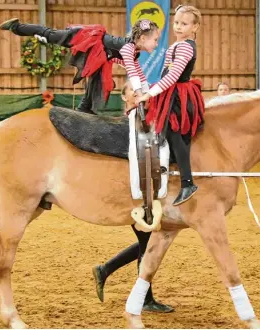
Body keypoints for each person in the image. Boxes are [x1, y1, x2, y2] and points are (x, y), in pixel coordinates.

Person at [91, 81, 174, 313]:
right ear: (125, 98)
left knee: (145, 242)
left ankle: (105, 269)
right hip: (134, 192)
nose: (139, 95)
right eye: (133, 92)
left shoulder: (141, 119)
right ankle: (143, 298)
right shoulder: (130, 122)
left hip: (140, 189)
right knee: (148, 243)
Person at [0, 18, 159, 114]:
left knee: (97, 83)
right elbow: (133, 72)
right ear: (143, 39)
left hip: (99, 56)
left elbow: (139, 73)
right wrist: (140, 93)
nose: (157, 44)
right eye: (156, 40)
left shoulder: (134, 52)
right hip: (87, 39)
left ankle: (84, 111)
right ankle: (17, 27)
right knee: (51, 34)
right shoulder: (128, 48)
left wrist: (148, 93)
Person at [136, 4, 205, 206]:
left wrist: (150, 93)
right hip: (171, 93)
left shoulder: (185, 46)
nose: (178, 27)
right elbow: (166, 74)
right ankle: (173, 170)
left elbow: (174, 75)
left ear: (195, 27)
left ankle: (188, 182)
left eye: (184, 24)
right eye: (176, 23)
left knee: (175, 133)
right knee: (169, 133)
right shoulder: (177, 45)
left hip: (179, 95)